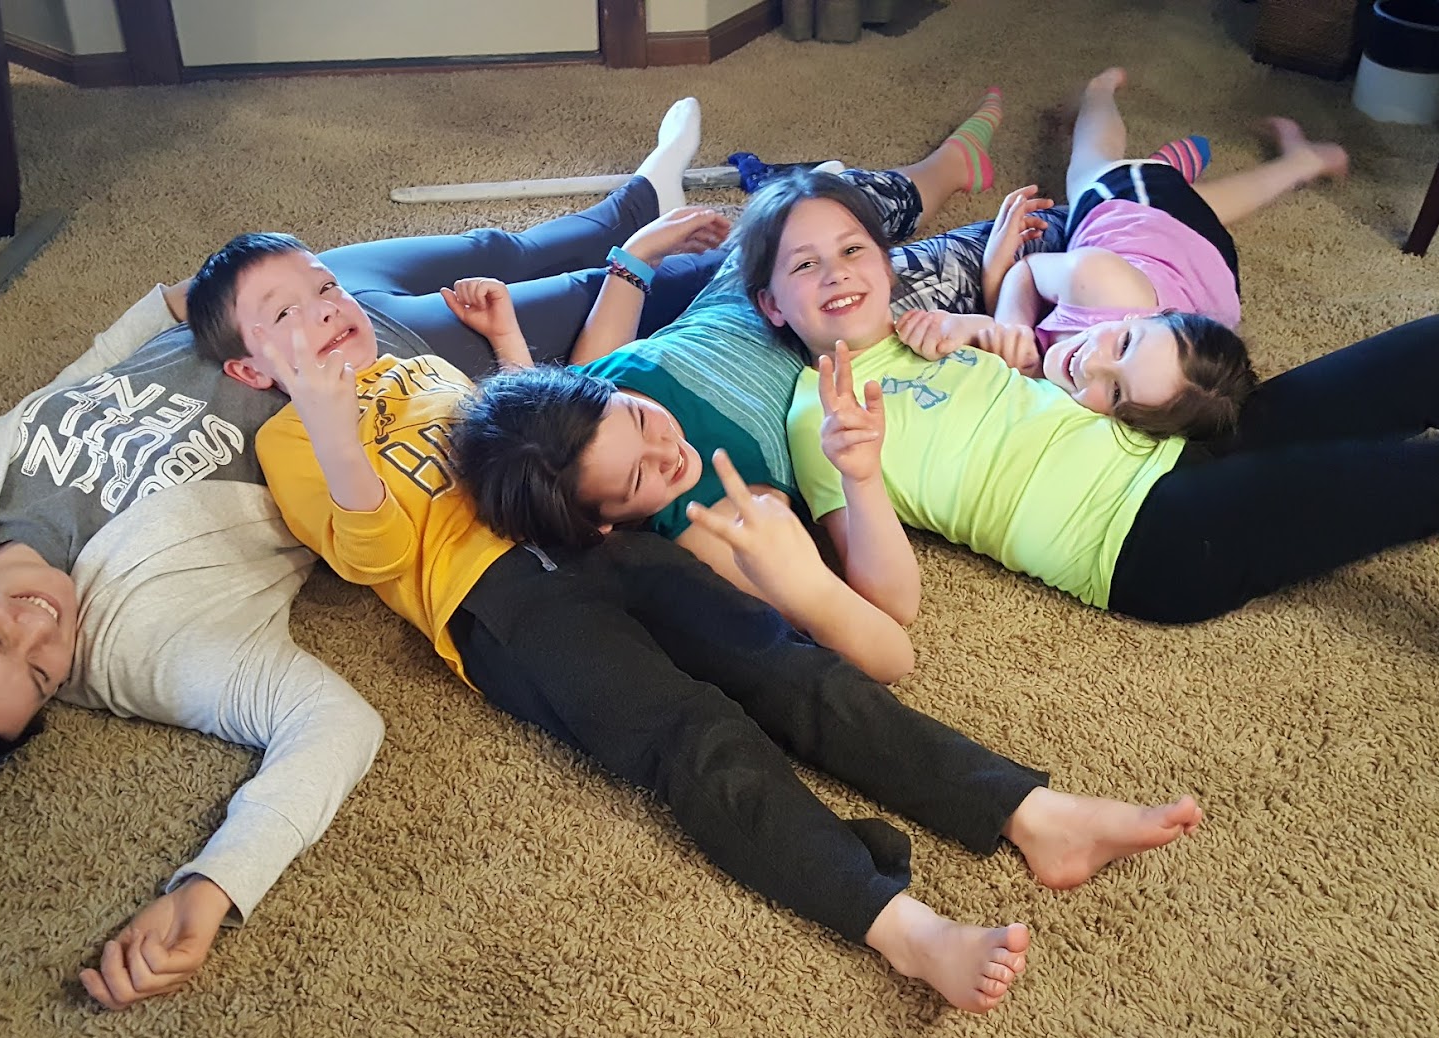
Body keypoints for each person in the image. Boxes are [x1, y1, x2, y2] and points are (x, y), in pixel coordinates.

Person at [0, 100, 727, 1011]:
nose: (39, 627)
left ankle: (646, 183)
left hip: (273, 310)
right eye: (42, 673)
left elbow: (72, 386)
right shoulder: (143, 651)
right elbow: (331, 725)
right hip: (386, 379)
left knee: (504, 244)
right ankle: (697, 239)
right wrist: (214, 883)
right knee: (617, 285)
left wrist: (168, 304)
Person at [185, 222, 1204, 1015]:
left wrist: (501, 342)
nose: (324, 310)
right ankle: (903, 927)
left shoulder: (421, 370)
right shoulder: (291, 439)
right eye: (285, 313)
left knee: (784, 661)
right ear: (249, 370)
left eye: (324, 286)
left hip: (591, 532)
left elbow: (528, 427)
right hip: (498, 601)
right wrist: (328, 419)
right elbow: (366, 554)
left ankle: (1029, 811)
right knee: (693, 734)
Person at [726, 167, 1439, 794]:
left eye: (851, 248)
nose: (837, 273)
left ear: (885, 257)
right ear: (772, 304)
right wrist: (862, 478)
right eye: (804, 266)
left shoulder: (927, 329)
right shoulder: (825, 417)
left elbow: (1036, 363)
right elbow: (888, 604)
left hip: (1166, 448)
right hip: (1144, 535)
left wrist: (995, 307)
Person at [450, 90, 1111, 670]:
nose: (666, 448)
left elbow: (581, 377)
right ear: (604, 526)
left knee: (830, 203)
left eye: (642, 417)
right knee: (1017, 243)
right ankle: (1100, 199)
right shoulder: (715, 522)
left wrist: (633, 259)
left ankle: (943, 169)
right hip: (846, 333)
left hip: (750, 283)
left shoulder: (594, 408)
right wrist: (807, 586)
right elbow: (882, 638)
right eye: (638, 478)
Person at [934, 66, 1347, 440]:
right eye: (1123, 345)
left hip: (1213, 271)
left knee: (1207, 206)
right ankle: (1098, 93)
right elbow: (1027, 270)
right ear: (1139, 319)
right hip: (1137, 208)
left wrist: (1013, 349)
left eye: (1115, 392)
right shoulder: (1097, 280)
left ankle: (1302, 161)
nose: (1090, 364)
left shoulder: (1151, 403)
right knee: (1090, 167)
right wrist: (1009, 320)